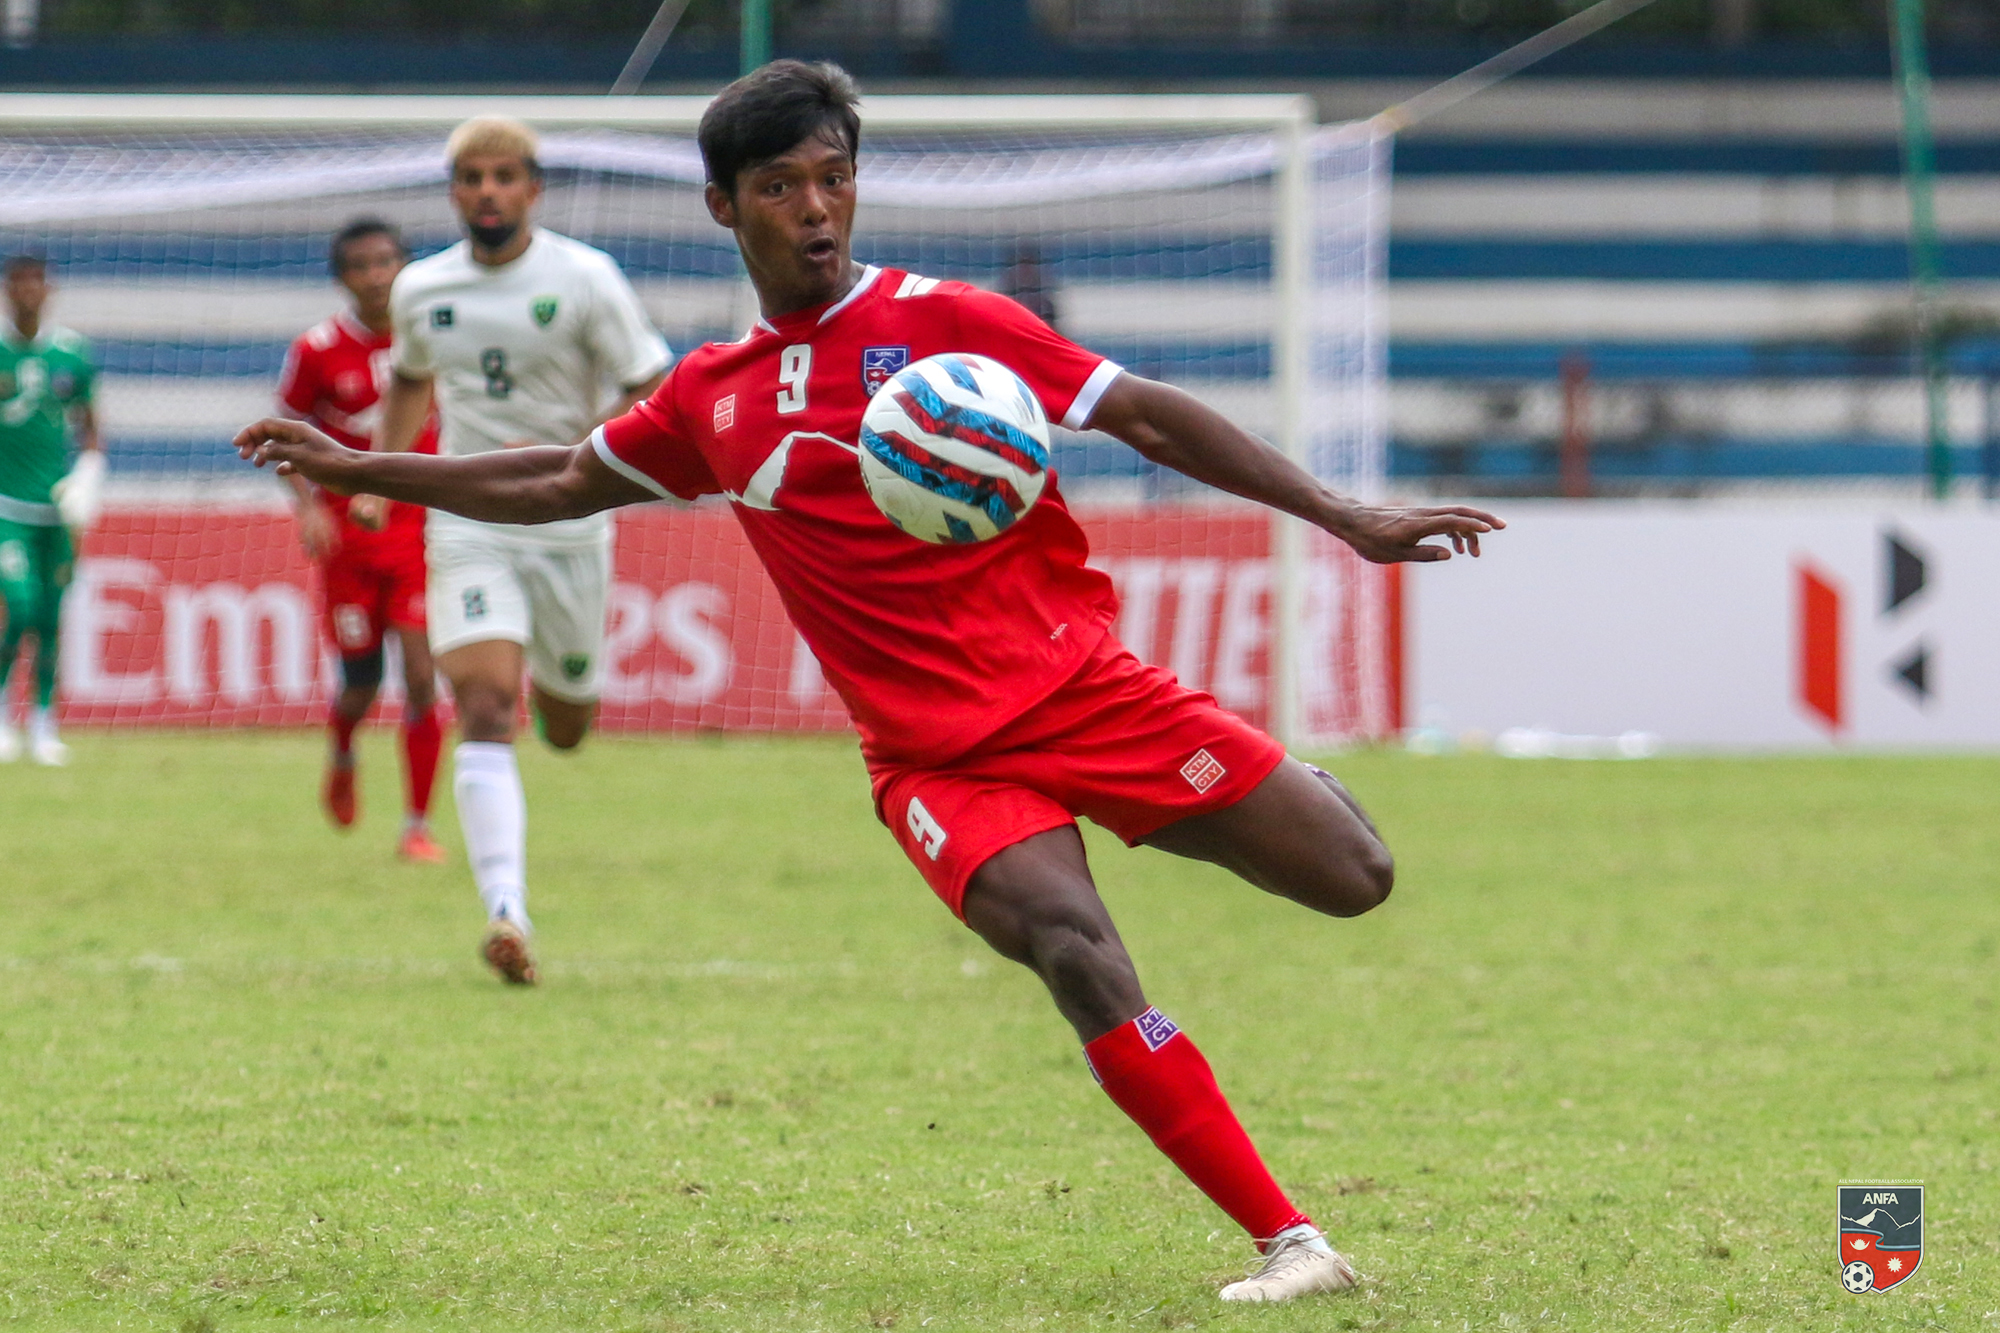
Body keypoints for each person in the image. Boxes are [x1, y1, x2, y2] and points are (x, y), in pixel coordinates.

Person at [235, 62, 1503, 1302]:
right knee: (1077, 949)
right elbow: (559, 479)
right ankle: (1290, 1238)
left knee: (1353, 877)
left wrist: (1348, 514)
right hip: (937, 758)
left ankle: (1292, 786)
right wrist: (358, 469)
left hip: (1081, 689)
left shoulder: (947, 324)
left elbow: (1146, 415)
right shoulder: (710, 398)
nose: (816, 209)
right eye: (780, 186)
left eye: (833, 178)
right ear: (723, 207)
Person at [369, 117, 671, 983]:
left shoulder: (585, 278)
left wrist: (612, 457)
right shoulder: (423, 288)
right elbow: (411, 379)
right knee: (488, 705)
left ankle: (560, 702)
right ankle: (507, 909)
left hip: (572, 522)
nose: (488, 192)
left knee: (567, 724)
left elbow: (649, 380)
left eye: (504, 176)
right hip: (469, 517)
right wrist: (377, 479)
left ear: (534, 188)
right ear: (454, 190)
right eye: (471, 177)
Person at [276, 219, 446, 862]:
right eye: (361, 266)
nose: (377, 278)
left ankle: (416, 826)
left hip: (420, 527)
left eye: (387, 262)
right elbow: (285, 434)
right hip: (348, 538)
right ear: (342, 277)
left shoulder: (432, 339)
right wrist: (308, 507)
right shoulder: (319, 349)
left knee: (424, 674)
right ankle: (344, 748)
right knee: (361, 685)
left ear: (405, 266)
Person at [0, 254, 103, 768]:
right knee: (16, 608)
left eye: (35, 282)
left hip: (55, 508)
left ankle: (44, 721)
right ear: (6, 291)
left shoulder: (73, 354)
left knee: (50, 617)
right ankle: (2, 715)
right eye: (17, 282)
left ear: (48, 289)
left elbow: (91, 429)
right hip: (5, 508)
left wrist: (86, 479)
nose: (26, 291)